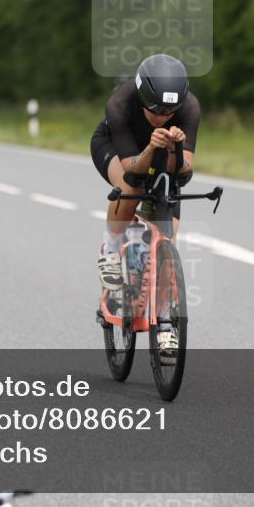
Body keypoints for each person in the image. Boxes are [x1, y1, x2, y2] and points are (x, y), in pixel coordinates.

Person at [89, 54, 200, 352]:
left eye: (169, 111)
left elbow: (184, 171)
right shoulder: (119, 104)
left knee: (169, 239)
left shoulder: (189, 108)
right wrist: (152, 145)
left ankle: (165, 319)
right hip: (117, 148)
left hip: (162, 150)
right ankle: (111, 249)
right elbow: (132, 168)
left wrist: (176, 148)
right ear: (141, 97)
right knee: (130, 188)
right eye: (155, 110)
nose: (163, 116)